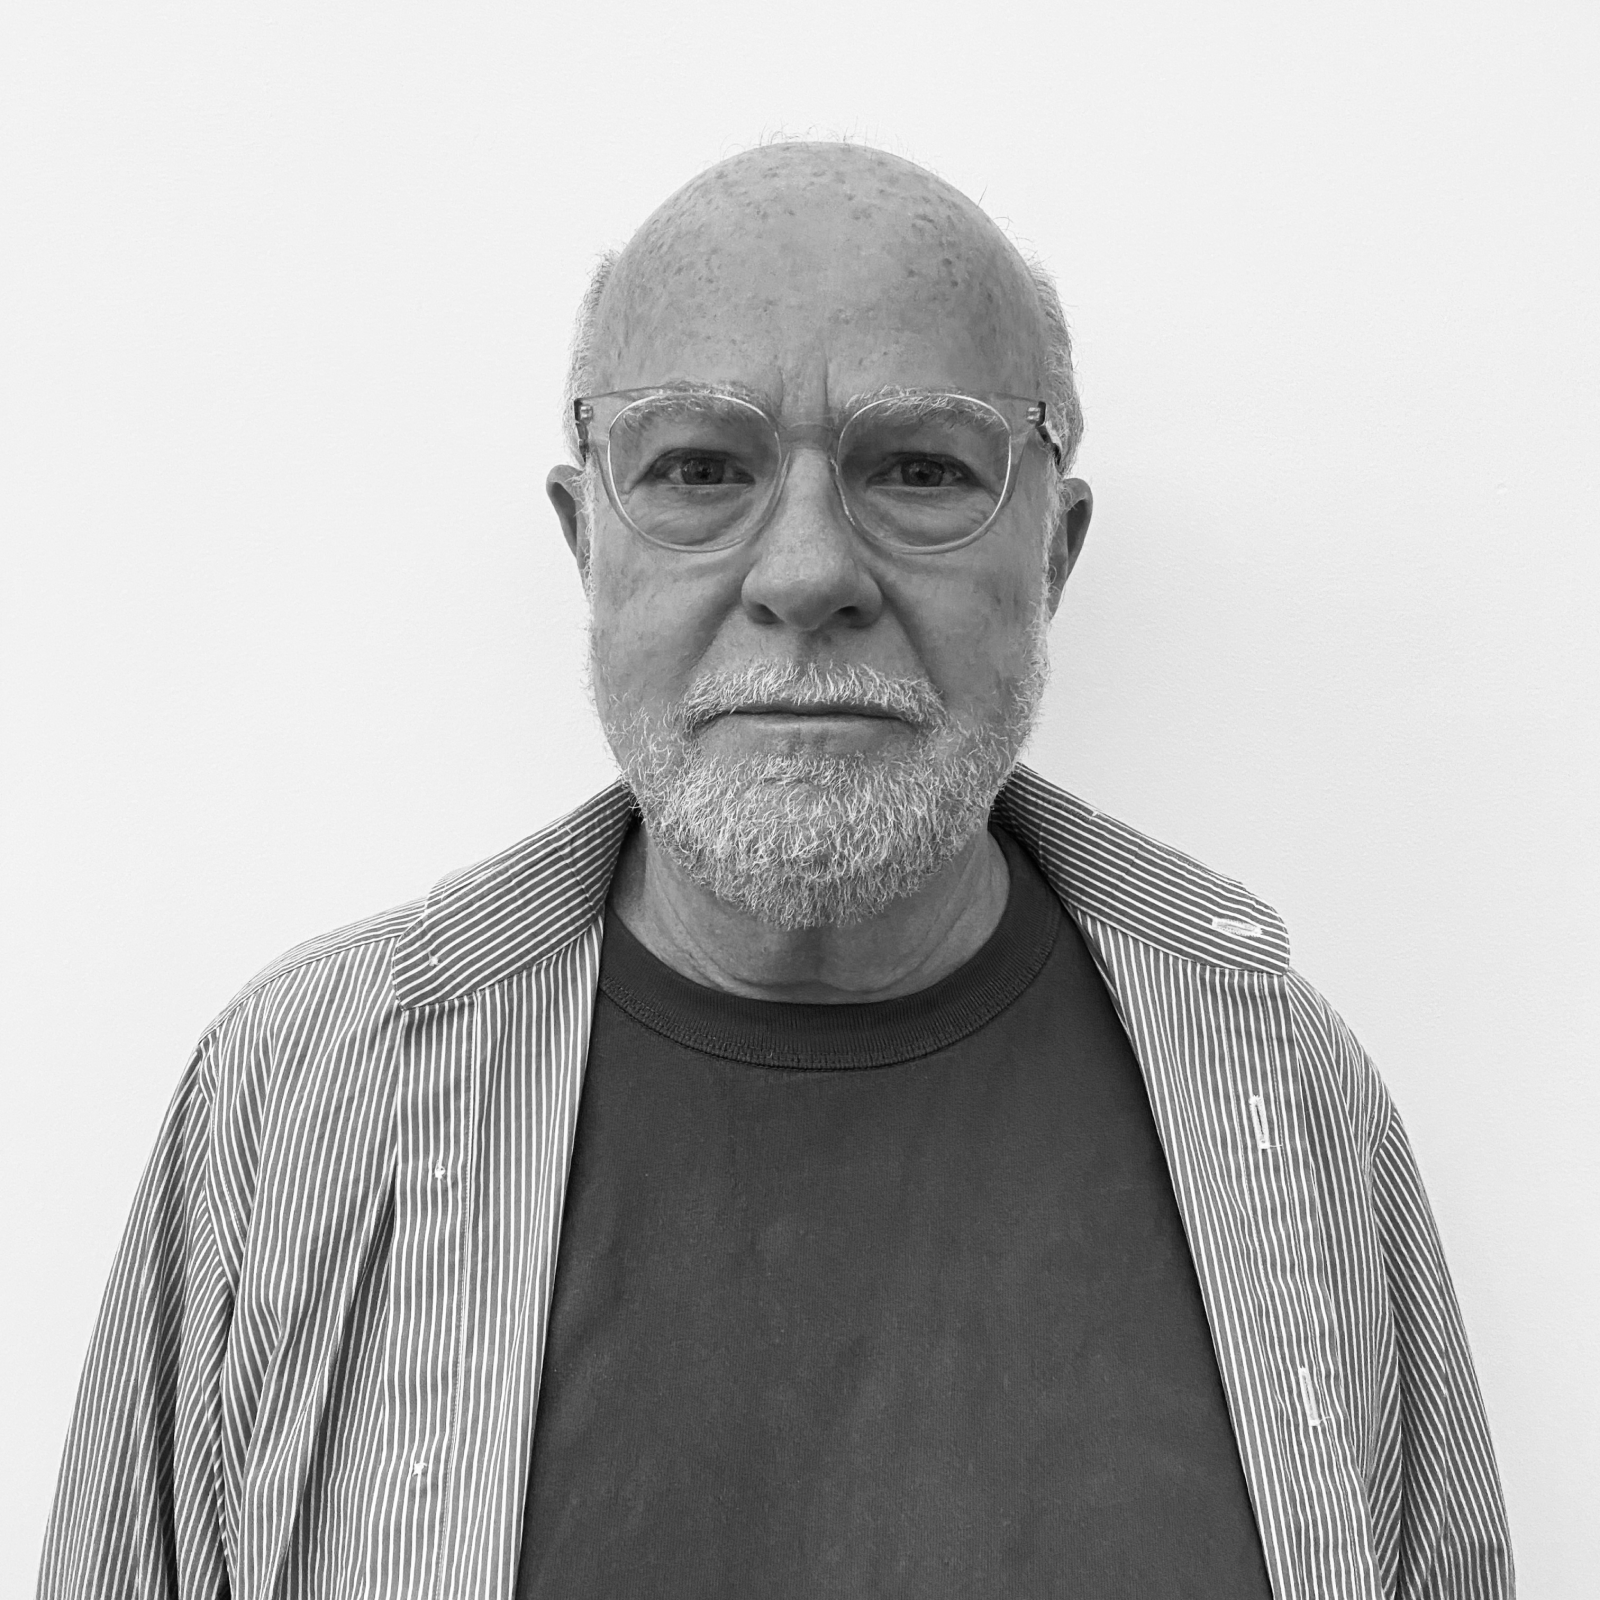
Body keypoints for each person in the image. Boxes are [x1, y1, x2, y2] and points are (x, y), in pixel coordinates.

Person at [39, 142, 1513, 1600]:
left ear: (1054, 556)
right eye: (698, 468)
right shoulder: (298, 1103)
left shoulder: (1282, 1098)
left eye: (923, 467)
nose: (807, 571)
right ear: (586, 541)